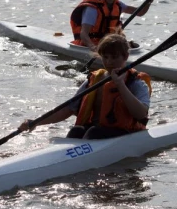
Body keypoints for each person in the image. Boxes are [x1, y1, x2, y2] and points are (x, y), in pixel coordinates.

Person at [19, 33, 152, 140]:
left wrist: (120, 85)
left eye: (114, 57)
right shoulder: (95, 79)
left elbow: (141, 114)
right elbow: (67, 110)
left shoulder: (136, 82)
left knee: (94, 132)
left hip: (125, 134)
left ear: (126, 56)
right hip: (95, 133)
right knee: (76, 131)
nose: (109, 62)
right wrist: (36, 122)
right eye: (105, 57)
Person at [70, 0, 156, 49]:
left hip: (109, 45)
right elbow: (84, 34)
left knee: (134, 45)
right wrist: (93, 47)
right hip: (91, 45)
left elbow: (140, 12)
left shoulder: (118, 5)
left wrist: (148, 2)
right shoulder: (92, 9)